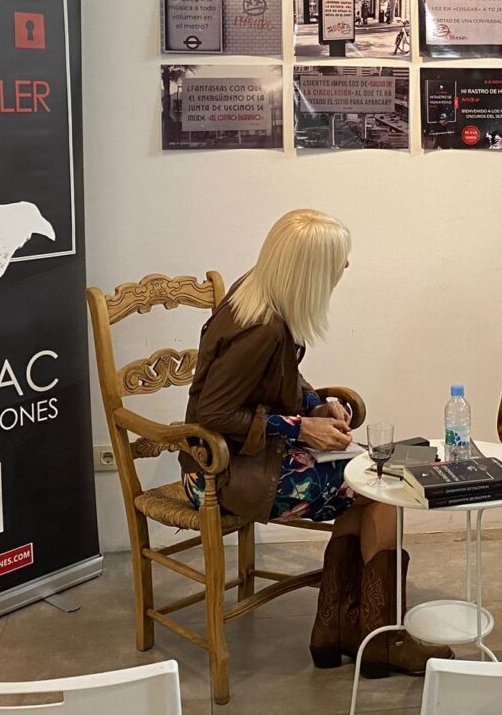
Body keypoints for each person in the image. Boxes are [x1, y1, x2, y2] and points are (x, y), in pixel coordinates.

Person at [180, 209, 449, 676]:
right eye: (337, 259)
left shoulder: (260, 295)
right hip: (221, 474)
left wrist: (314, 404)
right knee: (382, 486)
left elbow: (279, 376)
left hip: (247, 459)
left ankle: (339, 630)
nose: (345, 266)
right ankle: (376, 638)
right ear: (307, 268)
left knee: (370, 479)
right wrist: (301, 428)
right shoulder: (261, 327)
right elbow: (213, 415)